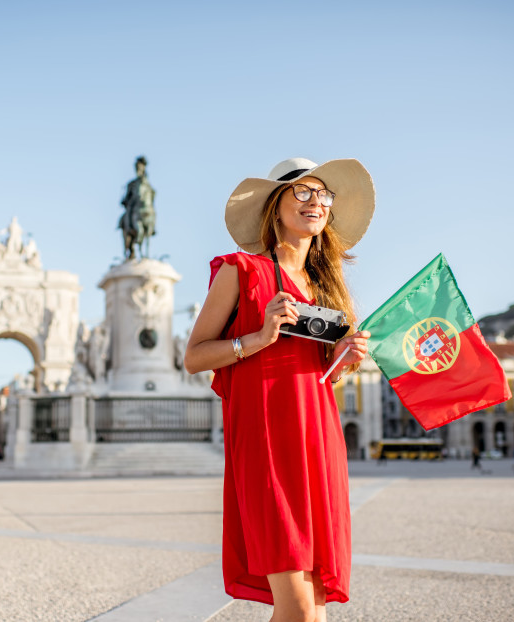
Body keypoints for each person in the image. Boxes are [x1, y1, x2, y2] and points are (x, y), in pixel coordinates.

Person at [184, 157, 375, 621]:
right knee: (300, 609)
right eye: (304, 192)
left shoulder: (326, 286)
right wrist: (257, 337)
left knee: (316, 607)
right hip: (267, 439)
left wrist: (344, 359)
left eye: (324, 195)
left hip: (319, 440)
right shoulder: (241, 271)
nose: (317, 202)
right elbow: (194, 356)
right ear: (276, 205)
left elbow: (320, 375)